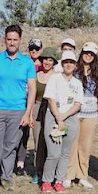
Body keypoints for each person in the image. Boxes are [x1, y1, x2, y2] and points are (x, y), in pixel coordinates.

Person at [0, 25, 37, 191]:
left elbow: (32, 89)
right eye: (9, 39)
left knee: (10, 146)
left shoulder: (27, 63)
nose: (12, 42)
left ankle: (6, 178)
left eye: (15, 39)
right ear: (5, 40)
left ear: (20, 40)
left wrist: (28, 113)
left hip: (18, 110)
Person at [41, 50, 83, 193]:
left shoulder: (77, 83)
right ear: (62, 64)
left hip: (70, 117)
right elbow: (51, 99)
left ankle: (59, 180)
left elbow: (78, 104)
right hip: (53, 116)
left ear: (75, 65)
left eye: (71, 62)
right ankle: (47, 180)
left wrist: (64, 116)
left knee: (65, 153)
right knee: (53, 153)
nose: (68, 65)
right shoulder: (55, 78)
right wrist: (58, 117)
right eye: (66, 62)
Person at [65, 42, 98, 189]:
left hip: (91, 114)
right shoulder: (74, 70)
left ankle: (82, 175)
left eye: (91, 53)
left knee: (85, 146)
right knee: (71, 144)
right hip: (74, 111)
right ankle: (68, 175)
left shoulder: (96, 73)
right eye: (86, 52)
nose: (88, 55)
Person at [14, 38, 44, 176]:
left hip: (37, 103)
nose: (34, 51)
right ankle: (19, 162)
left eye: (37, 49)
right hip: (20, 101)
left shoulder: (44, 66)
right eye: (32, 48)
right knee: (21, 133)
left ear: (41, 50)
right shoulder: (23, 63)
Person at [30, 47, 58, 184]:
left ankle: (50, 172)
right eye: (45, 59)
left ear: (54, 62)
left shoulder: (57, 76)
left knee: (51, 141)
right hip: (37, 107)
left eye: (50, 60)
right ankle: (38, 171)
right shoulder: (36, 75)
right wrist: (29, 114)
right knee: (38, 141)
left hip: (51, 109)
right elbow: (31, 95)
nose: (47, 62)